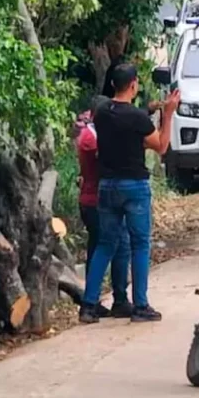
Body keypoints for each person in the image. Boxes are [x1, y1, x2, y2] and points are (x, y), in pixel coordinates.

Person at [80, 64, 180, 324]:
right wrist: (167, 115)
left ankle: (88, 305)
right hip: (134, 185)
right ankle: (140, 305)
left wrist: (148, 111)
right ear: (134, 84)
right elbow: (161, 146)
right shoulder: (137, 118)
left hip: (107, 186)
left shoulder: (101, 113)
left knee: (105, 243)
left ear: (114, 84)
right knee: (140, 244)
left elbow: (122, 119)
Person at [76, 96, 131, 318]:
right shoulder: (91, 138)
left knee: (104, 247)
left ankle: (103, 298)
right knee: (113, 246)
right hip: (96, 201)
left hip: (95, 199)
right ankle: (97, 301)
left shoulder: (90, 134)